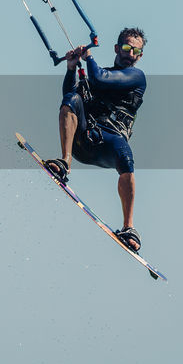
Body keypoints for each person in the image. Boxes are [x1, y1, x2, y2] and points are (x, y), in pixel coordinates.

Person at [43, 27, 147, 251]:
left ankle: (128, 226)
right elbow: (69, 98)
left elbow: (100, 79)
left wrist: (88, 57)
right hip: (85, 139)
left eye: (135, 51)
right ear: (117, 48)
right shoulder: (98, 73)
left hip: (110, 143)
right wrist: (71, 69)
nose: (130, 54)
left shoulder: (136, 77)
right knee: (71, 99)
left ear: (140, 56)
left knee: (126, 157)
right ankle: (65, 163)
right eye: (127, 48)